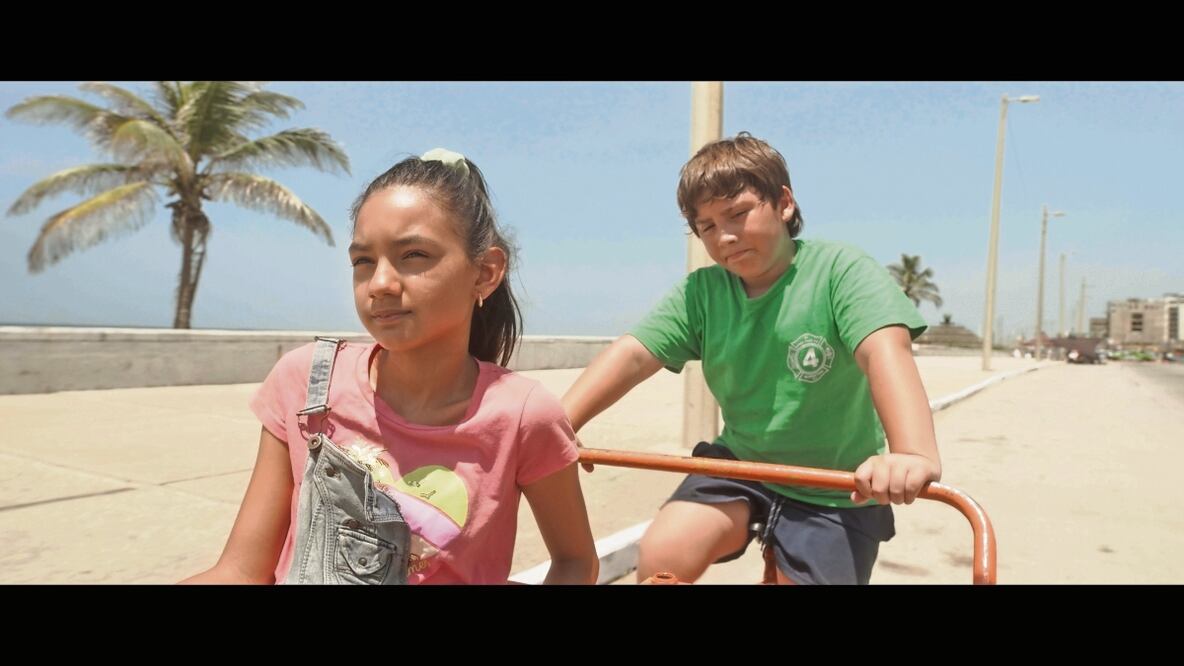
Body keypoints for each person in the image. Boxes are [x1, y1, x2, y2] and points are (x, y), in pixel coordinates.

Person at [183, 148, 598, 584]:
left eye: (414, 255)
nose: (380, 283)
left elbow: (575, 560)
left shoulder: (523, 416)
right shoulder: (306, 383)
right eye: (363, 261)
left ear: (485, 272)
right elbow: (241, 570)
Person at [562, 133, 940, 585]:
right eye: (706, 226)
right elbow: (632, 356)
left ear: (783, 203)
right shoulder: (703, 294)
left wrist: (912, 452)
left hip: (839, 486)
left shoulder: (841, 271)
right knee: (665, 551)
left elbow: (884, 351)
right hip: (742, 463)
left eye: (737, 214)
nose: (724, 235)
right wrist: (557, 426)